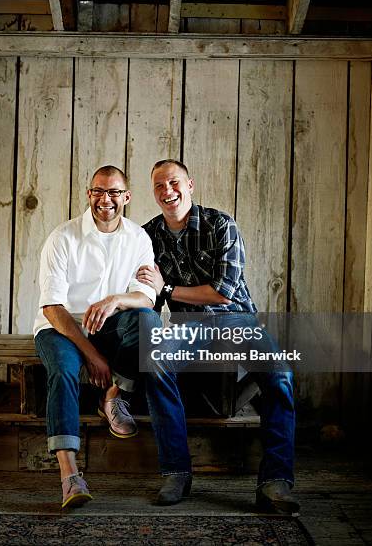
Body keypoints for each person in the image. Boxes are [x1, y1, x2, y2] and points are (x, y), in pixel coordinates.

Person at [137, 159, 298, 514]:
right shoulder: (147, 235)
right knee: (156, 361)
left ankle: (274, 482)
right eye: (160, 186)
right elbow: (145, 291)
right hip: (187, 325)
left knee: (281, 376)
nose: (168, 191)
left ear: (190, 185)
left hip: (235, 318)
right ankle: (177, 472)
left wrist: (167, 287)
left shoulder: (220, 224)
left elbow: (223, 291)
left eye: (174, 183)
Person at [34, 165, 156, 509]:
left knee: (148, 323)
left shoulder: (138, 238)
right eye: (99, 191)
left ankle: (116, 396)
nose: (106, 199)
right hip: (62, 328)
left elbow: (146, 297)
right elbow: (53, 309)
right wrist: (92, 356)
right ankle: (69, 474)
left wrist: (116, 299)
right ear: (89, 195)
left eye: (115, 192)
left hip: (109, 325)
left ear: (127, 197)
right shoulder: (63, 237)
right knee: (63, 370)